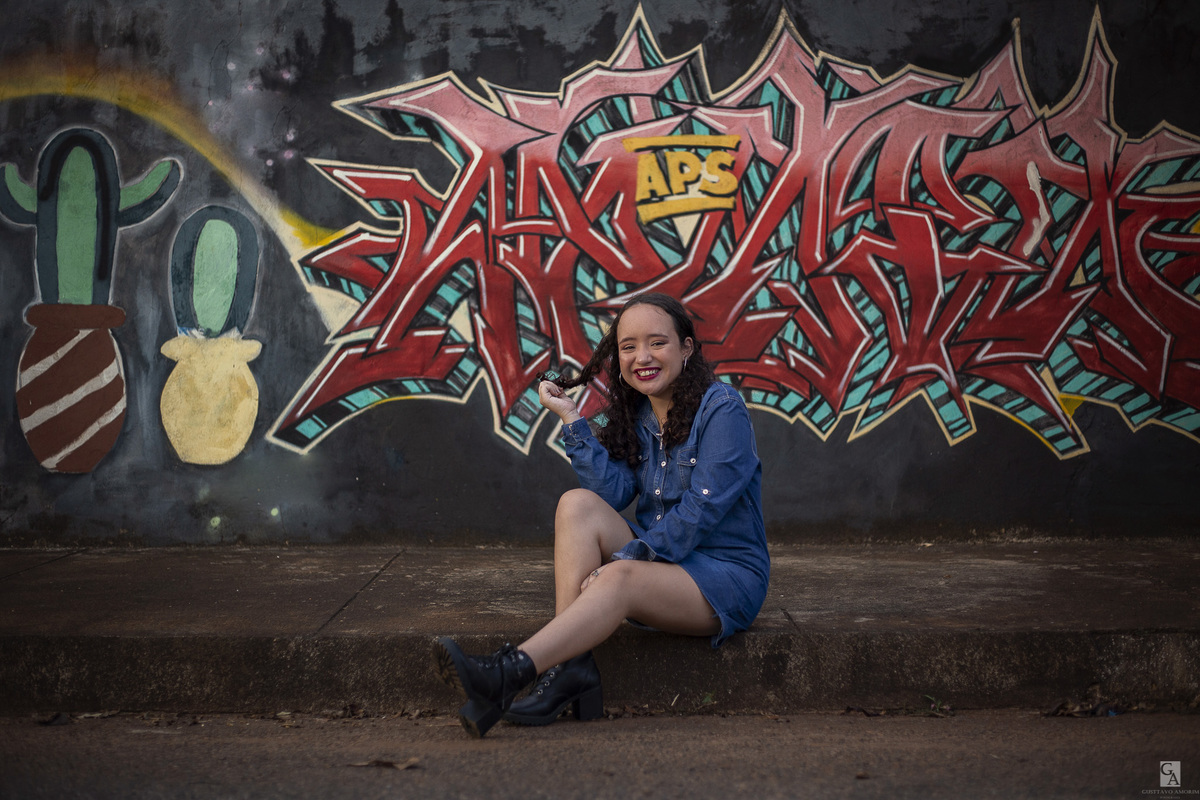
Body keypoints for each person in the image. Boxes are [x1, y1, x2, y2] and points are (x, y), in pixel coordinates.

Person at [433, 292, 769, 737]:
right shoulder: (640, 414)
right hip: (665, 564)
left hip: (725, 578)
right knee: (576, 505)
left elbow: (701, 511)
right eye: (629, 347)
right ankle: (570, 669)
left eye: (657, 343)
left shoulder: (722, 409)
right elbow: (611, 492)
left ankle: (508, 673)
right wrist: (571, 417)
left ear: (686, 347)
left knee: (620, 575)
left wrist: (629, 556)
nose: (642, 357)